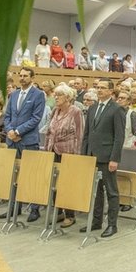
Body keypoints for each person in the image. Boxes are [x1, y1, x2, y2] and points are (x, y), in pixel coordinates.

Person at [80, 80, 126, 238]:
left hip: (107, 157)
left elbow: (119, 137)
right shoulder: (92, 108)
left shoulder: (117, 109)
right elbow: (87, 134)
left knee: (111, 191)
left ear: (111, 91)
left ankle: (112, 225)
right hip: (92, 155)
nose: (99, 90)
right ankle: (96, 221)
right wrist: (84, 155)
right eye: (97, 87)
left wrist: (115, 159)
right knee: (96, 191)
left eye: (102, 88)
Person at [2, 67, 46, 222]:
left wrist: (18, 132)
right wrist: (10, 131)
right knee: (13, 175)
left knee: (31, 175)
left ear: (32, 78)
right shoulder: (13, 94)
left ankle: (34, 209)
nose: (22, 78)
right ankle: (15, 207)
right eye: (20, 76)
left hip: (28, 141)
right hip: (12, 140)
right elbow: (7, 116)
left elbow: (36, 118)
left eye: (25, 76)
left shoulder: (38, 94)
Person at [43, 84, 84, 228]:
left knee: (67, 185)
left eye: (59, 95)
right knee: (54, 183)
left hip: (68, 153)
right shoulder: (55, 110)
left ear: (67, 97)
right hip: (53, 151)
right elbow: (49, 132)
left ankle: (70, 215)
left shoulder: (76, 112)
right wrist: (47, 149)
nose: (56, 97)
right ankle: (59, 211)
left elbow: (80, 135)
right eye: (55, 95)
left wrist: (77, 157)